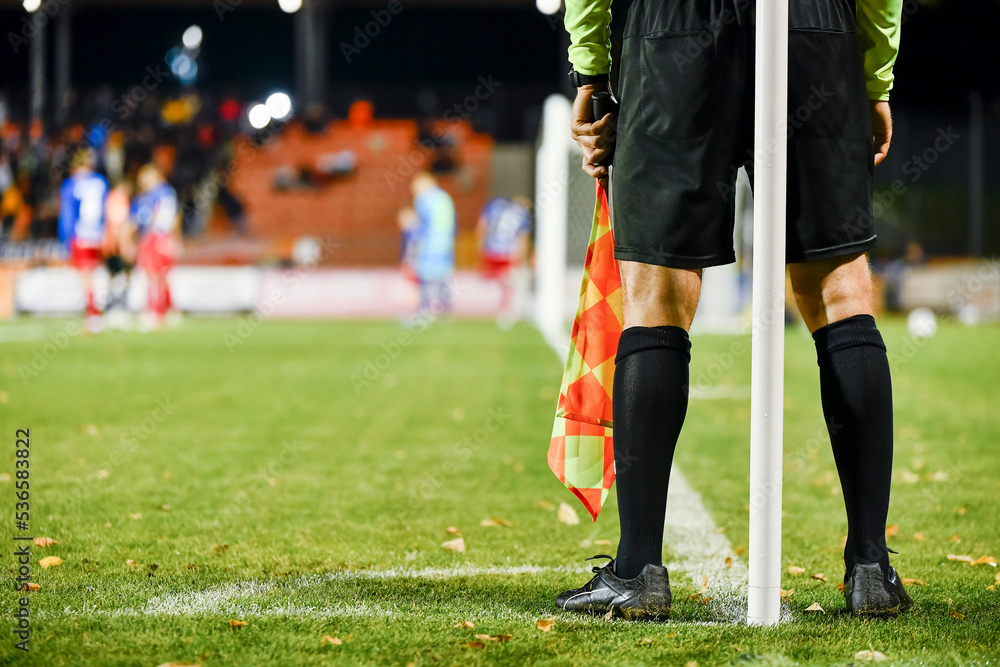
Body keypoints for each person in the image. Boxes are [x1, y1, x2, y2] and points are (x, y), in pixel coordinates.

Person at [557, 0, 910, 619]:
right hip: (811, 26)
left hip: (672, 31)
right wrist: (873, 76)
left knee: (656, 296)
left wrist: (591, 72)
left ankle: (638, 569)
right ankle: (870, 568)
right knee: (842, 292)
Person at [58, 148, 109, 333]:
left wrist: (66, 239)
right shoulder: (101, 182)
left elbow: (68, 216)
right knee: (96, 274)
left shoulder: (71, 185)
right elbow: (106, 210)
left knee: (86, 278)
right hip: (98, 235)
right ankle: (99, 311)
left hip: (81, 236)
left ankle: (93, 315)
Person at [130, 164, 180, 331]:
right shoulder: (161, 193)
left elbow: (159, 217)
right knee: (160, 276)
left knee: (153, 276)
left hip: (155, 236)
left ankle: (155, 312)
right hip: (160, 237)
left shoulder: (158, 194)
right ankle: (168, 309)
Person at [404, 172, 456, 316]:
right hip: (445, 245)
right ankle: (445, 311)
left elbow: (422, 225)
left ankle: (425, 309)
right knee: (443, 278)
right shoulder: (444, 198)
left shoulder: (424, 199)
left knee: (425, 278)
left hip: (429, 245)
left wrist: (412, 229)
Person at [477, 196, 531, 328]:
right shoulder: (522, 214)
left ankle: (488, 313)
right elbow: (522, 239)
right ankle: (505, 316)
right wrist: (521, 261)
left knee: (492, 283)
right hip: (508, 254)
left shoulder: (495, 206)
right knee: (508, 285)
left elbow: (482, 226)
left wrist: (480, 249)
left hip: (491, 251)